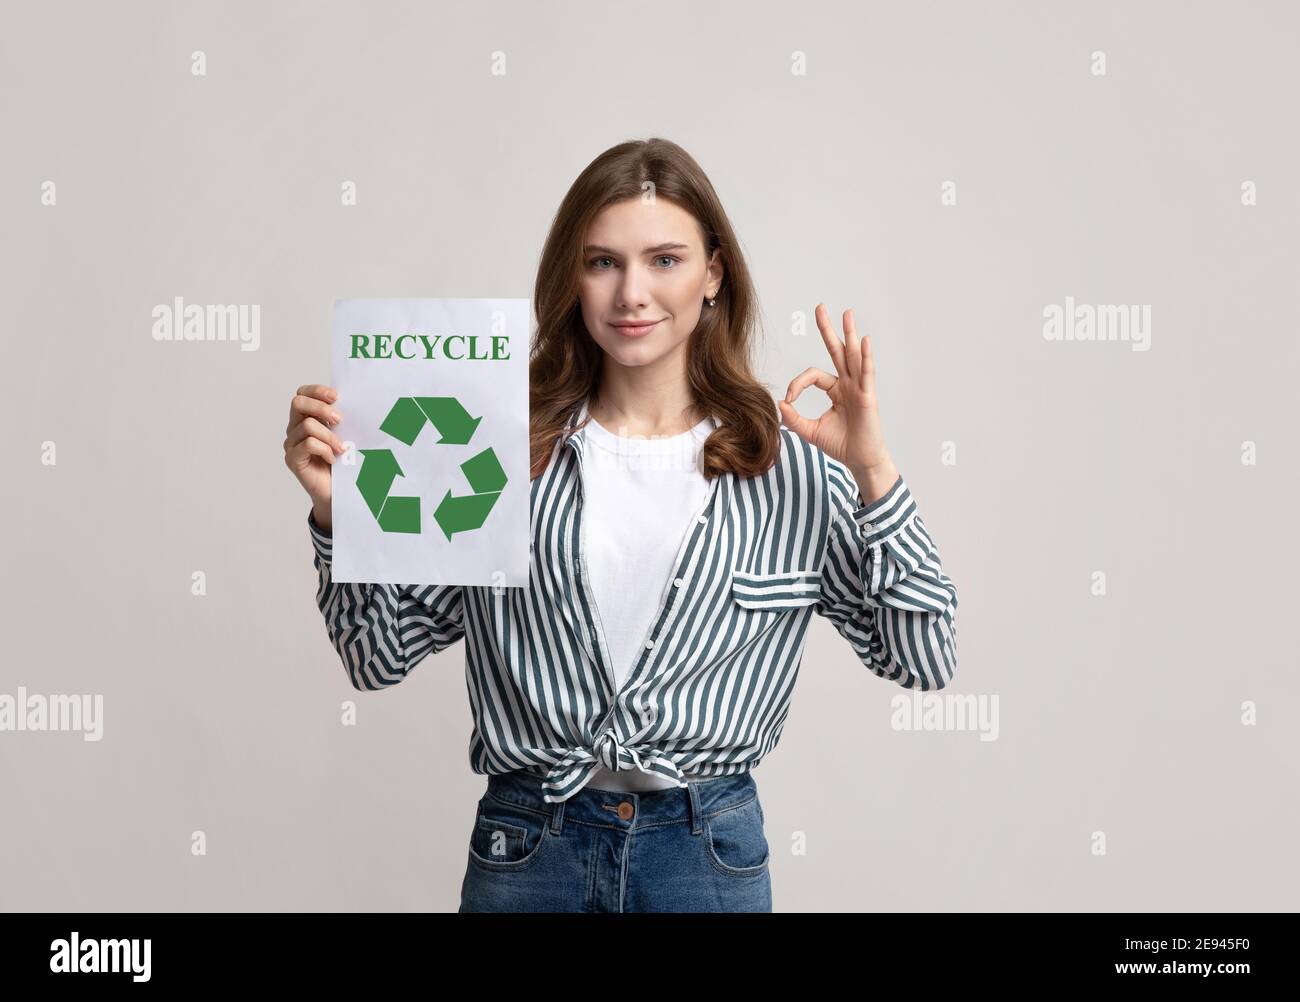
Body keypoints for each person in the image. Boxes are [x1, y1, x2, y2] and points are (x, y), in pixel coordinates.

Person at [282, 137, 958, 912]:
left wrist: (875, 473)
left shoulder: (790, 464)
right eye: (603, 262)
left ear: (714, 273)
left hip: (704, 859)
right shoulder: (501, 448)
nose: (632, 292)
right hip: (529, 851)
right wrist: (338, 515)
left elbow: (925, 656)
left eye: (664, 260)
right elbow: (377, 655)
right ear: (573, 278)